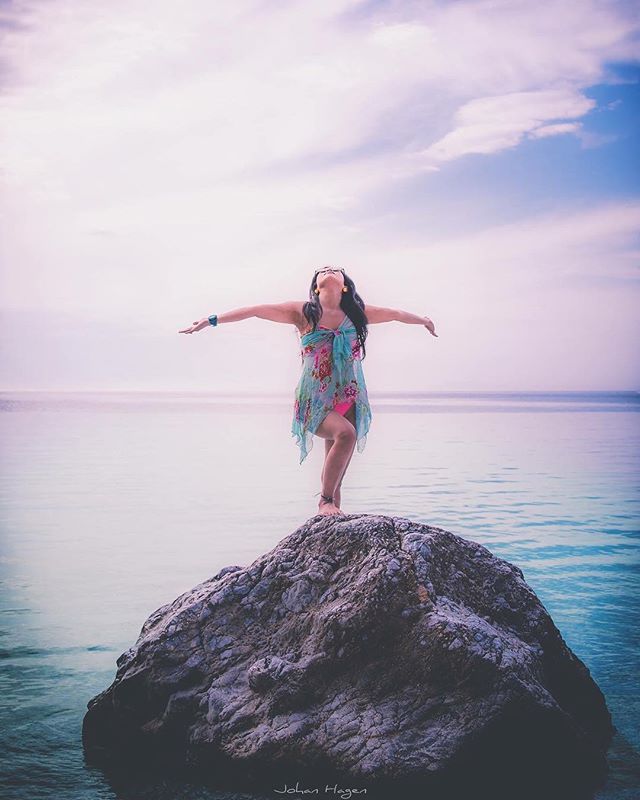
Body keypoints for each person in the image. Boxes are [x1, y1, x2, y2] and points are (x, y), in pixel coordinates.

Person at [179, 266, 438, 517]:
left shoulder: (357, 313)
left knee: (337, 468)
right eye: (322, 270)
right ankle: (323, 502)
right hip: (314, 397)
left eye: (334, 268)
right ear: (316, 285)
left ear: (344, 284)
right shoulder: (303, 313)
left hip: (348, 394)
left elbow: (395, 314)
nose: (328, 269)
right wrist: (210, 320)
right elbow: (255, 310)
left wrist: (424, 320)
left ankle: (332, 516)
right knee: (346, 435)